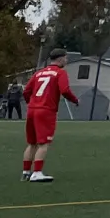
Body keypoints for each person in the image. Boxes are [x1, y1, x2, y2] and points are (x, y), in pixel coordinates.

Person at [22, 51, 79, 181]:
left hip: (32, 110)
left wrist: (31, 103)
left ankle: (26, 172)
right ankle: (37, 173)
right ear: (60, 59)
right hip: (46, 111)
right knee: (43, 143)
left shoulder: (38, 73)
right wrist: (75, 100)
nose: (66, 61)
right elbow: (65, 90)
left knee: (32, 143)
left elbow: (26, 91)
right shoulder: (60, 73)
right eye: (65, 58)